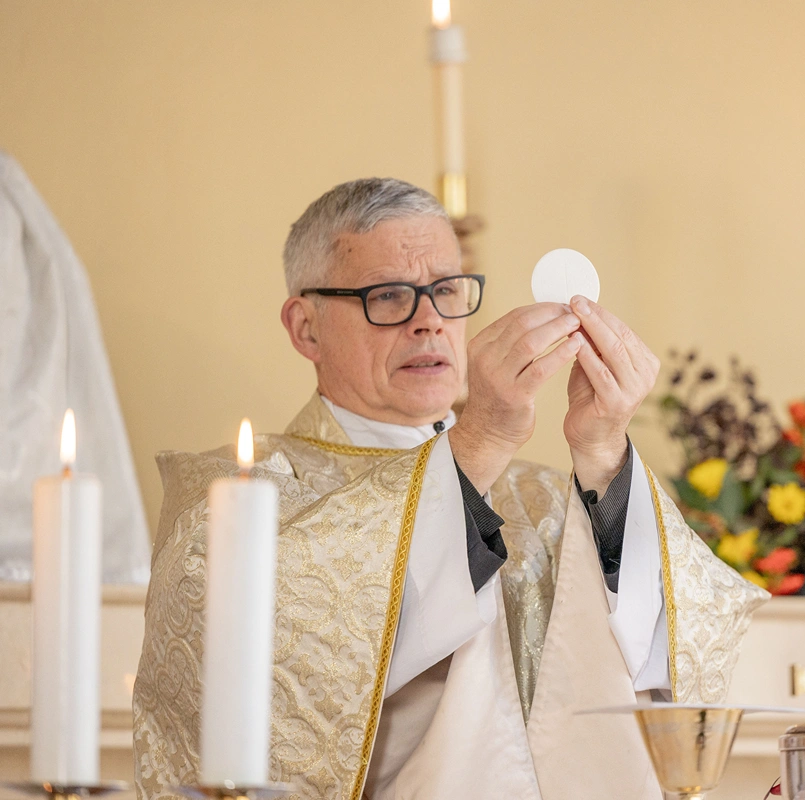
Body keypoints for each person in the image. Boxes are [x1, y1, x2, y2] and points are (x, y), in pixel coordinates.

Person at [132, 178, 768, 800]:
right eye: (388, 296)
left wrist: (604, 454)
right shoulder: (234, 497)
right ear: (306, 327)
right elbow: (285, 669)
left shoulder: (548, 493)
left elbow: (682, 659)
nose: (430, 322)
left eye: (446, 290)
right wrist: (478, 441)